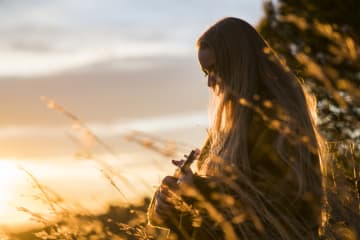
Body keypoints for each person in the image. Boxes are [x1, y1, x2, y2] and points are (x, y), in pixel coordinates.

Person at [147, 17, 325, 240]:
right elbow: (215, 221)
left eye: (214, 69)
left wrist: (199, 190)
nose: (210, 82)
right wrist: (168, 205)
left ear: (240, 64)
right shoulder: (228, 127)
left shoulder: (279, 119)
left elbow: (272, 208)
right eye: (205, 72)